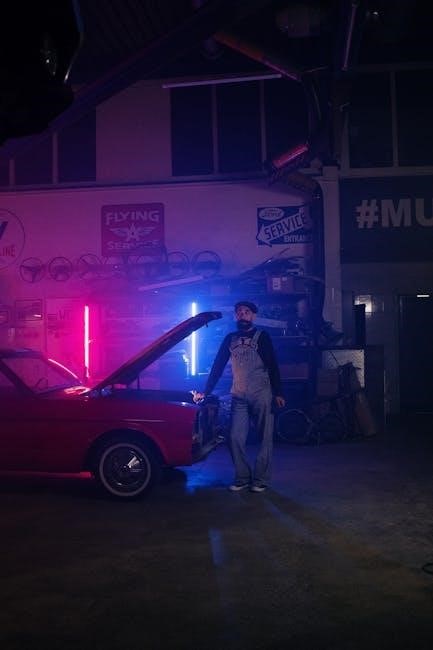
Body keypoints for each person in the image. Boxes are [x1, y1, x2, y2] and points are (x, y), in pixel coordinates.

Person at [194, 300, 285, 492]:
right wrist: (206, 391)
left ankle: (260, 479)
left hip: (261, 394)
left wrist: (278, 392)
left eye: (246, 312)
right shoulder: (230, 339)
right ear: (236, 316)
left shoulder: (262, 337)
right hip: (239, 395)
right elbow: (218, 365)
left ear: (253, 316)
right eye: (239, 312)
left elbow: (273, 365)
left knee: (265, 438)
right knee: (234, 437)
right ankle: (242, 477)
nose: (242, 315)